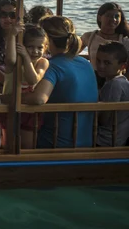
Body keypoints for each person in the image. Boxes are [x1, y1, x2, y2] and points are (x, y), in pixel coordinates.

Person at [23, 16, 98, 148]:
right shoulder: (85, 63)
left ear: (48, 41)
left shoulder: (53, 66)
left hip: (56, 142)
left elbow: (38, 99)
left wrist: (6, 97)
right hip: (86, 141)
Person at [4, 24, 50, 149]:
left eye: (39, 47)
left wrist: (26, 57)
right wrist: (12, 36)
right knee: (8, 143)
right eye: (30, 47)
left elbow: (32, 79)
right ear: (22, 46)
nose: (35, 51)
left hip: (29, 109)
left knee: (27, 144)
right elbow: (9, 60)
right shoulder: (16, 61)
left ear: (45, 48)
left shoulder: (42, 62)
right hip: (10, 106)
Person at [96, 42, 129, 147]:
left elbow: (104, 119)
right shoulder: (124, 82)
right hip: (118, 138)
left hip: (105, 140)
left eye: (107, 63)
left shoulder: (114, 85)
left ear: (122, 66)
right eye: (98, 61)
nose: (101, 66)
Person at [81, 2, 129, 71]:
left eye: (117, 16)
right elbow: (71, 52)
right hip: (94, 78)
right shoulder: (89, 36)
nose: (113, 19)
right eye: (109, 15)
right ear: (99, 17)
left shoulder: (124, 40)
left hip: (115, 79)